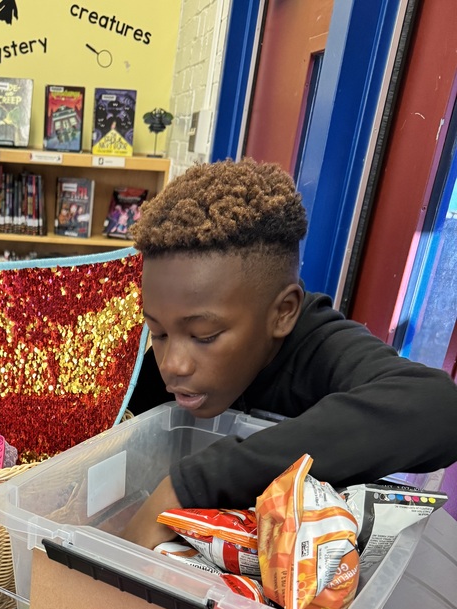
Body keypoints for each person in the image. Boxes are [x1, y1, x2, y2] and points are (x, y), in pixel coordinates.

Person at [122, 158, 457, 549]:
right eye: (158, 332)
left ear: (282, 313)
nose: (172, 364)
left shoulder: (321, 347)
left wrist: (188, 487)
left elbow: (439, 410)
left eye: (205, 335)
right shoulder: (165, 370)